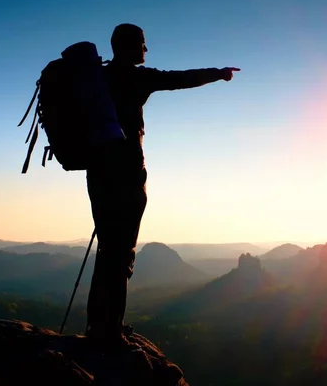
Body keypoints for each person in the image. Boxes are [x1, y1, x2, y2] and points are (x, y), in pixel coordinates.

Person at [85, 23, 240, 352]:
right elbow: (180, 79)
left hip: (98, 176)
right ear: (128, 46)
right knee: (121, 251)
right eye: (143, 43)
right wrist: (219, 73)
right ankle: (108, 331)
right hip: (127, 176)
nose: (147, 49)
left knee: (107, 249)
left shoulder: (97, 78)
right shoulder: (136, 78)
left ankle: (98, 325)